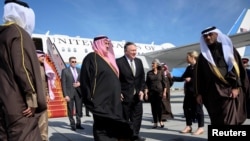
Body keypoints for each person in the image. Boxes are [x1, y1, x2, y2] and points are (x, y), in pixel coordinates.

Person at [0, 0, 47, 140]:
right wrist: (31, 97)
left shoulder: (3, 34)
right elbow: (23, 68)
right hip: (20, 106)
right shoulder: (19, 33)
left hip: (4, 103)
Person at [80, 35, 132, 141]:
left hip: (114, 101)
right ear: (98, 44)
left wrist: (119, 92)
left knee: (115, 127)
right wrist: (90, 101)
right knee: (102, 129)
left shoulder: (110, 60)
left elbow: (114, 80)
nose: (108, 44)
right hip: (100, 102)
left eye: (109, 42)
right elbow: (85, 81)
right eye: (105, 42)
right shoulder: (92, 57)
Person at [194, 26, 250, 125]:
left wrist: (236, 87)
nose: (207, 37)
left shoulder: (227, 49)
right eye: (205, 36)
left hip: (227, 91)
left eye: (210, 34)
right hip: (211, 94)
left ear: (216, 34)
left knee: (228, 120)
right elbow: (199, 76)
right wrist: (199, 93)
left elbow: (236, 69)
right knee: (216, 120)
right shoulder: (202, 56)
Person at [116, 42, 146, 141]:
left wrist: (141, 90)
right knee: (125, 118)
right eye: (132, 50)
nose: (134, 52)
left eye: (135, 50)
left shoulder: (139, 61)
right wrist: (118, 92)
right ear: (126, 51)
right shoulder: (119, 62)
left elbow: (142, 77)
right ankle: (125, 137)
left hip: (137, 96)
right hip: (125, 96)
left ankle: (135, 135)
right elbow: (115, 79)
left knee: (137, 117)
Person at [172, 51, 204, 135]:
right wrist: (172, 77)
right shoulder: (189, 68)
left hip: (197, 92)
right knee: (186, 108)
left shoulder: (200, 67)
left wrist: (191, 80)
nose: (186, 58)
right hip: (189, 92)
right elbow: (182, 78)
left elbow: (203, 79)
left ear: (193, 57)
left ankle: (200, 128)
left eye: (187, 57)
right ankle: (188, 126)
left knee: (198, 110)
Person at [36, 50, 56, 141]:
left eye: (44, 56)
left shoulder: (44, 67)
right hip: (33, 97)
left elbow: (45, 83)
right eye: (41, 56)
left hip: (42, 97)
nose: (43, 58)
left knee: (44, 121)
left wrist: (47, 94)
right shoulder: (33, 67)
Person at [61, 56, 84, 131]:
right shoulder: (65, 71)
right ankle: (72, 124)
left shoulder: (79, 70)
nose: (74, 63)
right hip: (69, 93)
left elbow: (83, 80)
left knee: (79, 109)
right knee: (70, 109)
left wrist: (80, 83)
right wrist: (65, 95)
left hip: (78, 93)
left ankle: (78, 124)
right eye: (73, 62)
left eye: (75, 61)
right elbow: (63, 83)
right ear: (70, 62)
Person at [144, 59, 166, 128]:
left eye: (153, 63)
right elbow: (147, 84)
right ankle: (155, 122)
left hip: (159, 92)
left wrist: (164, 92)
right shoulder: (149, 73)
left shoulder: (161, 72)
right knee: (153, 108)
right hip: (152, 93)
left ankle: (160, 121)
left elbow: (164, 83)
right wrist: (146, 93)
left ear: (157, 64)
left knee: (159, 107)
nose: (152, 64)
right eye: (152, 63)